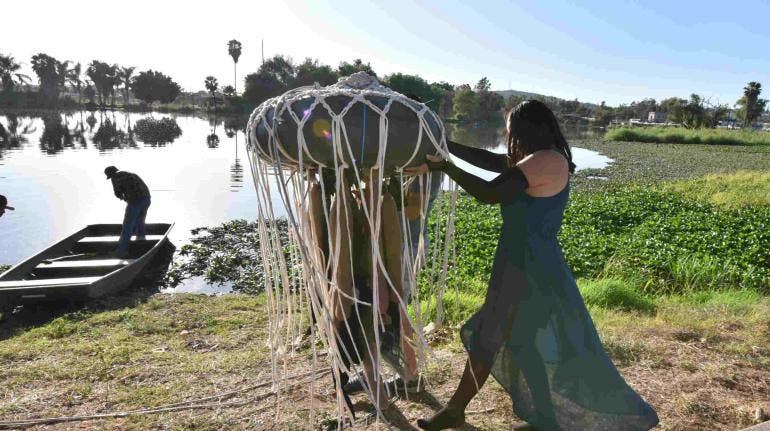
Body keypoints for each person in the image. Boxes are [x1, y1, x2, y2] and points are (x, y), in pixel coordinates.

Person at [405, 100, 659, 431]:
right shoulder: (539, 159)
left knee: (489, 336)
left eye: (511, 131)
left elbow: (490, 193)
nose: (509, 137)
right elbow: (493, 161)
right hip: (523, 261)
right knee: (522, 341)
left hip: (527, 268)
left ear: (526, 130)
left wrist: (445, 167)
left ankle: (456, 410)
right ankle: (544, 417)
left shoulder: (546, 162)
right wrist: (445, 147)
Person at [105, 166, 151, 258]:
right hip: (147, 199)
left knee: (127, 225)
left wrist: (123, 197)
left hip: (135, 201)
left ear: (110, 174)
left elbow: (118, 193)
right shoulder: (131, 174)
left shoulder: (115, 178)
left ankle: (122, 251)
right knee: (140, 221)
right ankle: (141, 243)